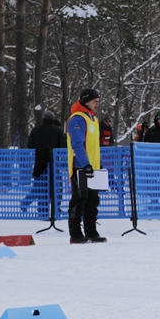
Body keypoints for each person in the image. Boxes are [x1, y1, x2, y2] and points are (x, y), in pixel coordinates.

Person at [66, 88, 107, 244]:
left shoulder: (93, 119)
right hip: (81, 167)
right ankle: (75, 234)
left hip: (93, 167)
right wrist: (86, 164)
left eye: (98, 101)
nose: (97, 104)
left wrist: (97, 164)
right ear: (86, 101)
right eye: (95, 101)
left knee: (92, 200)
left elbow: (93, 146)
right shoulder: (77, 119)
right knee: (79, 199)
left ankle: (91, 232)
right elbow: (77, 145)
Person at [23, 109, 64, 213]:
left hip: (40, 162)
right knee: (56, 186)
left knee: (40, 186)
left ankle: (42, 209)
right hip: (53, 163)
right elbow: (63, 146)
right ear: (53, 119)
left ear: (43, 119)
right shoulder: (58, 130)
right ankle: (56, 209)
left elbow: (30, 145)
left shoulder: (36, 130)